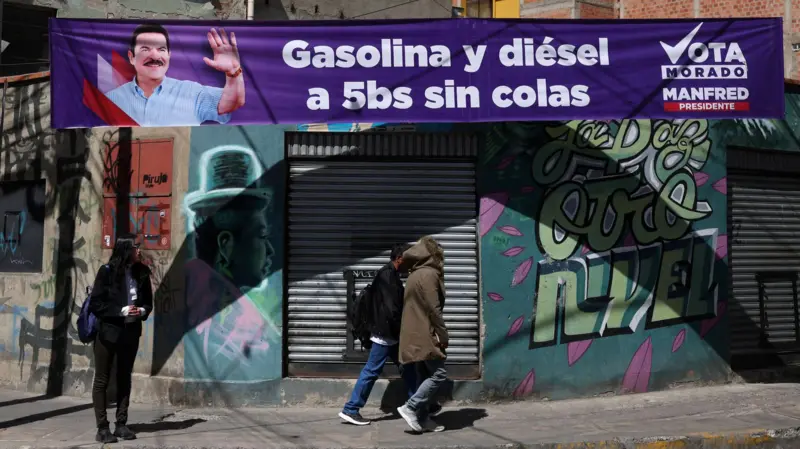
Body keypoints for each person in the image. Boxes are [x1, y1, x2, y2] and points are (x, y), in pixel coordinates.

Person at [105, 23, 245, 126]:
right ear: (131, 57)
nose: (155, 56)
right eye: (145, 49)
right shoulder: (111, 100)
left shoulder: (192, 93)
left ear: (169, 56)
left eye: (161, 49)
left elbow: (231, 103)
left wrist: (234, 71)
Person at [339, 244, 417, 426]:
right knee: (372, 371)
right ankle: (351, 409)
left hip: (390, 334)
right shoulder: (387, 276)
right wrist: (403, 329)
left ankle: (420, 403)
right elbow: (391, 310)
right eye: (409, 260)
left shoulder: (390, 274)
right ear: (400, 259)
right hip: (386, 335)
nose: (411, 264)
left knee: (408, 367)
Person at [88, 234, 153, 444]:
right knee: (102, 379)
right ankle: (102, 427)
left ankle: (121, 423)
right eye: (136, 247)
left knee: (124, 377)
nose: (139, 251)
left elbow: (148, 303)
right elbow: (96, 304)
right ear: (125, 249)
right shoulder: (107, 272)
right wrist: (120, 311)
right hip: (108, 333)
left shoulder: (142, 273)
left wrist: (141, 311)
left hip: (131, 332)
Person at [396, 236, 448, 433]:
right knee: (438, 374)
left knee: (424, 375)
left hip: (414, 333)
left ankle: (423, 419)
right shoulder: (429, 274)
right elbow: (434, 309)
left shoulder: (414, 274)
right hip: (426, 332)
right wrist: (443, 334)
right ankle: (410, 407)